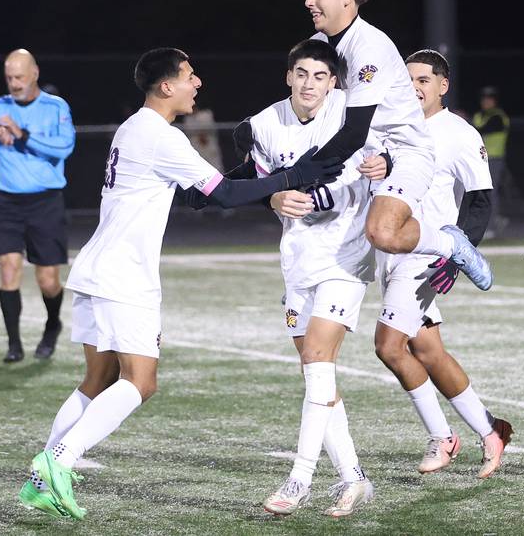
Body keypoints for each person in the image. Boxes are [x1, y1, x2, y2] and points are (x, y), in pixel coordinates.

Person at [17, 48, 343, 520]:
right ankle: (58, 461)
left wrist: (257, 171)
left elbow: (197, 195)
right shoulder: (159, 135)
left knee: (98, 379)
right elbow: (224, 196)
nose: (198, 83)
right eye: (190, 76)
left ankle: (39, 478)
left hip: (100, 269)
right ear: (166, 86)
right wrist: (294, 175)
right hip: (124, 276)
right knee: (141, 382)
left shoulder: (136, 127)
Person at [241, 39, 375, 518]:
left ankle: (299, 480)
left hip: (345, 259)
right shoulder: (264, 124)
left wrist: (389, 164)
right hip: (296, 260)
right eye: (301, 73)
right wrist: (271, 199)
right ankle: (354, 477)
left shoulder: (351, 113)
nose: (309, 84)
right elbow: (255, 181)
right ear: (288, 76)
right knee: (317, 376)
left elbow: (391, 156)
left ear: (334, 82)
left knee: (319, 359)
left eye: (319, 76)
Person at [304, 0, 492, 292]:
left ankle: (452, 244)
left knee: (383, 232)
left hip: (406, 156)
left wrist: (301, 172)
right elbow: (303, 110)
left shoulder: (369, 47)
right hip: (367, 161)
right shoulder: (317, 48)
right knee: (393, 343)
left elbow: (353, 131)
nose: (308, 2)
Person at [365, 50, 513, 478]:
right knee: (428, 350)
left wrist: (460, 254)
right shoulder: (389, 127)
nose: (414, 86)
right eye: (408, 78)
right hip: (388, 253)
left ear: (442, 86)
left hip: (427, 256)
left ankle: (441, 436)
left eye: (424, 79)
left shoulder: (460, 133)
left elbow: (480, 198)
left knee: (389, 346)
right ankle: (491, 429)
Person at [0, 49, 75, 362]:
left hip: (46, 202)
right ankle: (14, 344)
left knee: (48, 280)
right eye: (9, 77)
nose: (14, 83)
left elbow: (65, 146)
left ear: (34, 73)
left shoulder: (55, 107)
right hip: (6, 203)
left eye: (20, 76)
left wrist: (22, 135)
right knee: (8, 269)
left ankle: (52, 325)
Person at [472, 86, 510, 238]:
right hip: (479, 159)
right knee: (477, 192)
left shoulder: (498, 117)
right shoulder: (478, 116)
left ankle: (492, 226)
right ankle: (495, 220)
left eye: (490, 99)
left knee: (490, 193)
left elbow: (481, 130)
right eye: (484, 99)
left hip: (494, 159)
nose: (486, 101)